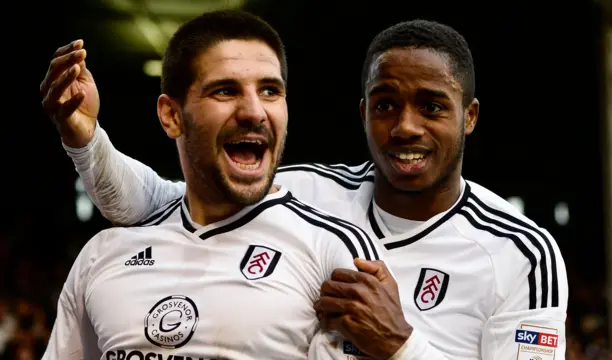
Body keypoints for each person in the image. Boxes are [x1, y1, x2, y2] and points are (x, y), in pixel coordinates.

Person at [41, 17, 569, 360]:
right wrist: (85, 140)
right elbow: (157, 205)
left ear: (469, 116)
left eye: (432, 106)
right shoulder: (306, 194)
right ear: (363, 114)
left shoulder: (522, 253)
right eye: (385, 104)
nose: (405, 127)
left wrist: (400, 346)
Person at [40, 10, 388, 359]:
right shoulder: (104, 254)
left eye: (270, 90)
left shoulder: (334, 252)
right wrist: (83, 138)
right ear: (172, 116)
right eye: (225, 91)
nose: (254, 111)